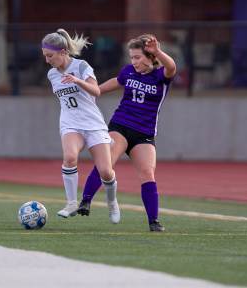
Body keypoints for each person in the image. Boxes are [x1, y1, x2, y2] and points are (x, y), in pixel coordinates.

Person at [76, 34, 177, 232]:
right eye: (131, 57)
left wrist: (158, 51)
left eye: (138, 57)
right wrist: (88, 90)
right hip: (121, 126)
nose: (134, 62)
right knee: (107, 162)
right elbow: (105, 87)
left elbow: (172, 67)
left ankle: (153, 222)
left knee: (147, 173)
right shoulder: (129, 72)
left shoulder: (160, 76)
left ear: (150, 57)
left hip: (144, 133)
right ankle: (85, 201)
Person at [42, 28, 120, 223]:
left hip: (93, 123)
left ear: (63, 52)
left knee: (106, 171)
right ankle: (71, 203)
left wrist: (77, 81)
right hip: (70, 123)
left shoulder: (82, 66)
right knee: (69, 157)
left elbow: (96, 92)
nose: (47, 60)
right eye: (45, 56)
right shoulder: (52, 74)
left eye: (50, 55)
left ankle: (112, 203)